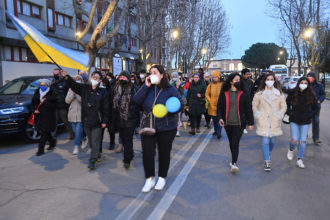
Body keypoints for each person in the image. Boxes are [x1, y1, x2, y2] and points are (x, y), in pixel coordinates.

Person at [133, 64, 183, 193]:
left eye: (155, 72)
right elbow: (136, 100)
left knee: (164, 153)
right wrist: (146, 86)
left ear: (162, 75)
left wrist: (169, 110)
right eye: (150, 72)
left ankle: (162, 177)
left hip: (166, 127)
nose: (151, 75)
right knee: (148, 154)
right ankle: (149, 179)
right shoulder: (146, 87)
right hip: (149, 125)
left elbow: (181, 104)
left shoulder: (170, 89)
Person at [62, 70, 109, 170]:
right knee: (91, 142)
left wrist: (105, 121)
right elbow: (73, 85)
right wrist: (66, 76)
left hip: (98, 121)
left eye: (97, 78)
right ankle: (97, 155)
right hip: (86, 120)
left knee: (95, 141)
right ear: (91, 78)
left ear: (100, 80)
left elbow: (106, 107)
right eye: (93, 77)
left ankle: (92, 160)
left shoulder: (103, 91)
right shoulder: (85, 88)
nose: (95, 79)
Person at [218, 73, 254, 173]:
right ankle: (233, 159)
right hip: (227, 123)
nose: (238, 81)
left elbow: (248, 109)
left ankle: (234, 163)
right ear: (230, 82)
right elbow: (219, 107)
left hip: (239, 123)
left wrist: (250, 122)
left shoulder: (244, 93)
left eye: (239, 80)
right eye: (236, 80)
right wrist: (220, 118)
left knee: (235, 142)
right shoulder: (224, 93)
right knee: (231, 143)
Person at [252, 72, 287, 171]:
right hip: (263, 121)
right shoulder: (259, 93)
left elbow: (284, 106)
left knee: (272, 140)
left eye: (272, 79)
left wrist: (279, 115)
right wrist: (258, 115)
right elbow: (254, 105)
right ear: (264, 81)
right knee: (265, 140)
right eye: (268, 80)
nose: (270, 81)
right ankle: (267, 161)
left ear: (274, 81)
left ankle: (268, 152)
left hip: (274, 121)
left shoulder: (279, 93)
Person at [286, 77, 318, 168]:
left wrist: (310, 115)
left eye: (305, 83)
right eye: (302, 82)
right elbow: (286, 104)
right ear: (299, 83)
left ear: (308, 85)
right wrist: (289, 112)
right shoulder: (292, 92)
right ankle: (291, 149)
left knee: (303, 141)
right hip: (294, 120)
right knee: (294, 139)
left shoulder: (311, 94)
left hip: (306, 121)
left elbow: (316, 108)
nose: (303, 84)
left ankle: (300, 159)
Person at [111, 71, 140, 169]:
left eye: (124, 77)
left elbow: (138, 103)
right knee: (123, 139)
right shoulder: (116, 88)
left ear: (128, 79)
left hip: (130, 119)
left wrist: (134, 114)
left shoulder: (134, 89)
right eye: (121, 77)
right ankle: (130, 155)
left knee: (128, 140)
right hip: (119, 119)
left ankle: (127, 160)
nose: (122, 79)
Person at [32, 79, 57, 156]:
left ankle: (40, 150)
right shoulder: (37, 92)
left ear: (47, 85)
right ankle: (52, 142)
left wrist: (45, 102)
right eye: (41, 85)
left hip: (48, 116)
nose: (42, 87)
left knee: (44, 132)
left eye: (44, 85)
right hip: (39, 115)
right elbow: (33, 103)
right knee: (45, 131)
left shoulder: (52, 93)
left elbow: (55, 106)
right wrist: (34, 110)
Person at [50, 68, 74, 139]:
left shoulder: (65, 82)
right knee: (53, 122)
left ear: (60, 74)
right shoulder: (52, 82)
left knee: (65, 121)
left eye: (56, 74)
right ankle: (52, 137)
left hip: (62, 105)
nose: (55, 75)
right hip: (54, 104)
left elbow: (69, 91)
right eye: (54, 74)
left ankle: (72, 134)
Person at [65, 75, 84, 155]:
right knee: (75, 130)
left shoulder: (84, 88)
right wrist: (72, 94)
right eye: (76, 79)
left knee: (77, 131)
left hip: (80, 113)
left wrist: (77, 94)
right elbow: (67, 101)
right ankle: (83, 139)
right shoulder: (70, 89)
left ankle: (76, 146)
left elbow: (83, 101)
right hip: (72, 114)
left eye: (79, 79)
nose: (77, 80)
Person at [306, 72, 326, 145]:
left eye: (311, 77)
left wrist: (319, 100)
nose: (309, 78)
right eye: (308, 77)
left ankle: (316, 138)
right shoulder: (305, 85)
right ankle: (304, 137)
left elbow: (323, 95)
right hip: (307, 107)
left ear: (314, 78)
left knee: (316, 121)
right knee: (306, 122)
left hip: (316, 107)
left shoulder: (319, 86)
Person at [205, 71, 222, 139]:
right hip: (212, 105)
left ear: (218, 77)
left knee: (219, 119)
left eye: (216, 77)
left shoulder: (222, 84)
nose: (215, 78)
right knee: (214, 119)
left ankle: (219, 132)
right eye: (214, 77)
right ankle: (216, 130)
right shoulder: (210, 85)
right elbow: (207, 94)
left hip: (220, 104)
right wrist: (210, 100)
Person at [170, 72, 184, 137]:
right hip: (170, 102)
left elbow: (182, 93)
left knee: (178, 117)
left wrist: (178, 87)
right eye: (173, 76)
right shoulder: (169, 83)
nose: (174, 78)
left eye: (176, 76)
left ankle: (177, 131)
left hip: (177, 102)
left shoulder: (180, 84)